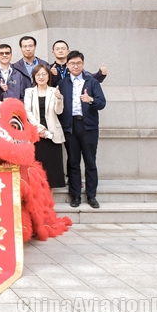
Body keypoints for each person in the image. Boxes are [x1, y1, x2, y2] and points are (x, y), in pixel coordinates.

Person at [57, 51, 107, 209]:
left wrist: (90, 100)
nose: (75, 66)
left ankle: (91, 195)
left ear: (83, 64)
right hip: (70, 126)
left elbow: (102, 103)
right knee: (73, 162)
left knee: (90, 161)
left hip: (88, 126)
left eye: (78, 63)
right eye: (72, 63)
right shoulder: (62, 83)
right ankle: (75, 195)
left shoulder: (92, 82)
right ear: (67, 65)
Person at [24, 64, 66, 189]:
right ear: (34, 77)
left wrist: (59, 99)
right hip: (36, 134)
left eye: (44, 74)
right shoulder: (29, 91)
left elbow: (59, 111)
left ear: (48, 76)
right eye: (38, 75)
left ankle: (50, 198)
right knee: (37, 167)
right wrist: (39, 128)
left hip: (52, 134)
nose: (41, 77)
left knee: (52, 170)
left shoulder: (54, 91)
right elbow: (27, 111)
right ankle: (38, 196)